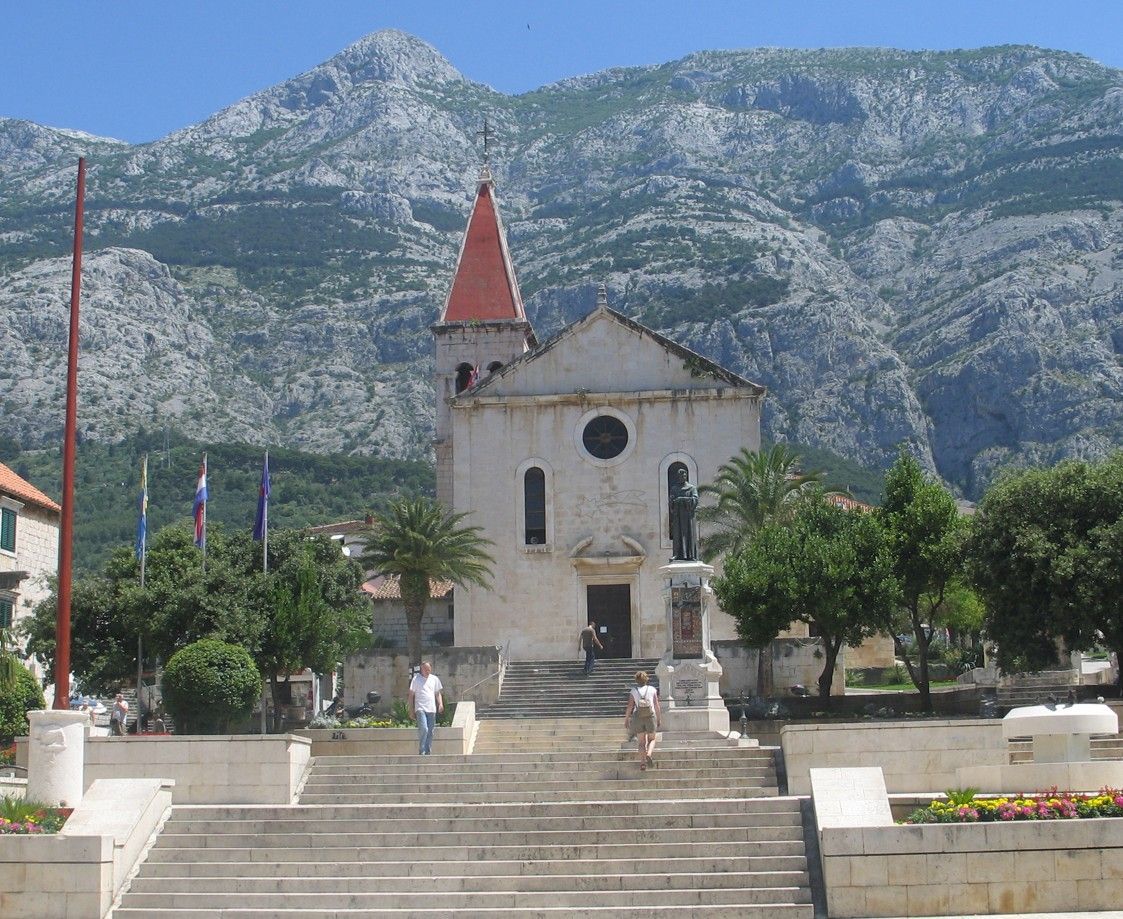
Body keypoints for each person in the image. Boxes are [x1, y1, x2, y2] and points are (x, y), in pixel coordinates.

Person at [625, 671, 660, 770]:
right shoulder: (652, 689)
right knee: (652, 739)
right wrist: (659, 718)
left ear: (636, 680)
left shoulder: (633, 691)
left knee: (641, 742)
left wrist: (626, 719)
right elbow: (657, 705)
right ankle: (649, 753)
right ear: (646, 679)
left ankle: (643, 763)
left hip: (638, 716)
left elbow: (630, 706)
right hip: (650, 716)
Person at [408, 661, 444, 755]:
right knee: (424, 729)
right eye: (425, 669)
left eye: (428, 669)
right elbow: (411, 695)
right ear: (421, 669)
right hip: (420, 708)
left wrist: (440, 704)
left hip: (431, 709)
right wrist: (411, 710)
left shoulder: (434, 679)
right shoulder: (416, 679)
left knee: (431, 731)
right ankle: (422, 750)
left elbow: (437, 693)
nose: (427, 671)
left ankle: (428, 751)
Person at [670, 467, 699, 561]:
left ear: (686, 476)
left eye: (684, 475)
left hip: (688, 516)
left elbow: (695, 500)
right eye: (680, 476)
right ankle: (677, 554)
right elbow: (671, 503)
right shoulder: (674, 489)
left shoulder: (692, 488)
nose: (682, 477)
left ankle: (691, 555)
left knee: (689, 534)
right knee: (677, 534)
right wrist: (672, 501)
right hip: (678, 516)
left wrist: (683, 499)